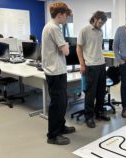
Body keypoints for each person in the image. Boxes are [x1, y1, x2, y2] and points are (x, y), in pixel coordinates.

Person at [41, 2, 75, 145]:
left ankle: (60, 127)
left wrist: (64, 44)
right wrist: (66, 44)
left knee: (62, 102)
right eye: (66, 16)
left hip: (57, 70)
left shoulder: (49, 26)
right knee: (57, 104)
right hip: (55, 72)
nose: (66, 19)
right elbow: (66, 51)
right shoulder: (54, 28)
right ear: (60, 15)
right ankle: (53, 136)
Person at [76, 11, 110, 128]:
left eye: (103, 23)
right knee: (91, 93)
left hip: (101, 65)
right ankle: (89, 117)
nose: (101, 25)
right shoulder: (84, 30)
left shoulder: (100, 31)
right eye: (100, 22)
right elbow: (79, 48)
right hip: (90, 66)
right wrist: (82, 64)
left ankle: (99, 112)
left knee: (101, 92)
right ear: (95, 19)